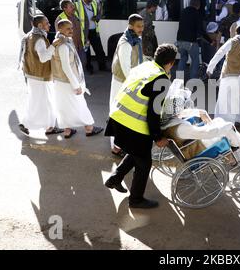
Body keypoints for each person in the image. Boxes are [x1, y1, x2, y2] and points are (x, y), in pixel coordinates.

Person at [104, 44, 177, 209]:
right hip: (132, 122)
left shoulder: (146, 66)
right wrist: (157, 137)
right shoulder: (162, 79)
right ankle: (136, 200)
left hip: (117, 114)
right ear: (171, 63)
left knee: (137, 152)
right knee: (144, 162)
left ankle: (114, 179)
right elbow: (153, 112)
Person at [160, 79, 240, 165]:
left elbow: (181, 113)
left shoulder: (170, 123)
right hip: (197, 150)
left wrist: (200, 112)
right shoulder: (180, 128)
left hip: (192, 145)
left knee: (219, 122)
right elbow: (204, 133)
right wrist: (225, 127)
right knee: (228, 130)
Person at [51, 20, 104, 138]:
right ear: (60, 30)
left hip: (60, 81)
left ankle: (67, 130)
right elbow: (66, 67)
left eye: (71, 28)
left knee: (63, 105)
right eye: (67, 28)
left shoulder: (61, 41)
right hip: (68, 82)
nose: (71, 30)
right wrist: (76, 85)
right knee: (80, 104)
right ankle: (89, 128)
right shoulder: (63, 45)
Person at [18, 15, 63, 136]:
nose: (49, 25)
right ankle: (26, 124)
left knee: (39, 101)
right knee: (42, 102)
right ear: (40, 25)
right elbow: (43, 58)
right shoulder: (40, 39)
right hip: (40, 75)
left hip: (32, 74)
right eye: (47, 23)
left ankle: (49, 126)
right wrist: (54, 45)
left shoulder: (29, 35)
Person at [207, 25, 240, 126]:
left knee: (225, 100)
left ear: (236, 32)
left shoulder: (232, 41)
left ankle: (225, 122)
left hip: (229, 75)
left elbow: (219, 53)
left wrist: (210, 68)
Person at [109, 14, 145, 156]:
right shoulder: (126, 43)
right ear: (131, 26)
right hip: (122, 83)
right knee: (119, 114)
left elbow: (136, 60)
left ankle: (120, 144)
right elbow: (125, 69)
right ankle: (116, 147)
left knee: (125, 115)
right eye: (138, 26)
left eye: (142, 26)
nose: (141, 29)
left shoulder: (135, 38)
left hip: (129, 81)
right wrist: (135, 85)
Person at [75, 0, 108, 74]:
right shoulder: (77, 5)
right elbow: (75, 19)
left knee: (99, 50)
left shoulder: (93, 2)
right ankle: (89, 68)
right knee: (87, 51)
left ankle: (102, 66)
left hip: (94, 31)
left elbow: (100, 13)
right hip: (84, 33)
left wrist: (97, 17)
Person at [176, 0, 203, 80]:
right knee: (195, 60)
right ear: (198, 5)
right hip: (190, 41)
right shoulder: (196, 13)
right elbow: (200, 30)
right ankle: (192, 81)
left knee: (183, 58)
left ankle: (179, 80)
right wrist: (209, 40)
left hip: (180, 40)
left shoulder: (183, 11)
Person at [55, 0, 84, 65]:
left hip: (80, 46)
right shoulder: (60, 19)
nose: (73, 7)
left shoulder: (76, 15)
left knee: (81, 66)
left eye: (73, 6)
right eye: (71, 6)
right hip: (69, 48)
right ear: (64, 8)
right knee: (72, 66)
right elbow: (58, 36)